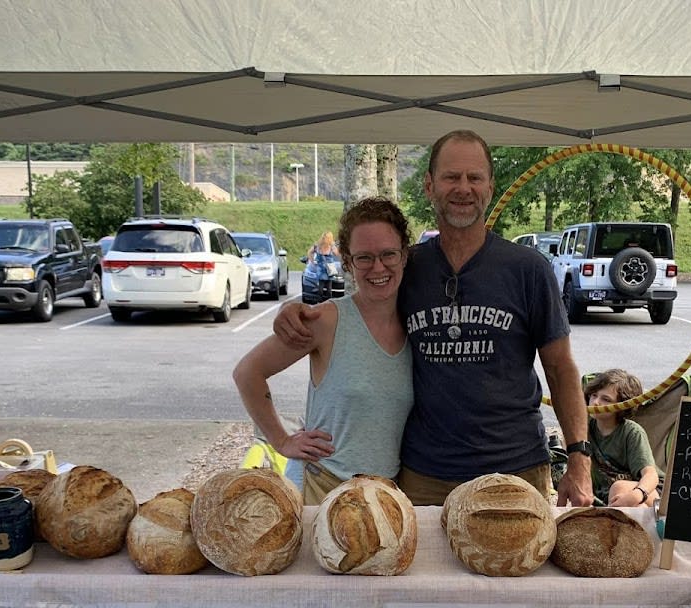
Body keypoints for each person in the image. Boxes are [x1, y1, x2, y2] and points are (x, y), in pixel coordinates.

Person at [274, 130, 593, 507]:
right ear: (429, 186)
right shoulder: (407, 265)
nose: (463, 188)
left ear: (490, 187)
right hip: (424, 475)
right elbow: (358, 307)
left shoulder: (528, 270)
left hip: (516, 467)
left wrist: (579, 459)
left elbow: (561, 369)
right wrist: (290, 310)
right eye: (451, 177)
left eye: (474, 178)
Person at [233, 198, 413, 504]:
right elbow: (248, 373)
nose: (378, 267)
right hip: (322, 487)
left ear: (404, 255)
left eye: (388, 254)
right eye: (364, 258)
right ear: (348, 263)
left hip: (383, 494)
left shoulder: (416, 322)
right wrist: (282, 440)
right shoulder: (327, 320)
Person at [584, 370, 661, 508]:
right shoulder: (585, 427)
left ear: (622, 406)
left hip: (649, 492)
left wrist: (636, 495)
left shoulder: (632, 432)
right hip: (609, 497)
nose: (596, 402)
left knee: (619, 489)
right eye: (594, 395)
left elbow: (651, 475)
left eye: (605, 399)